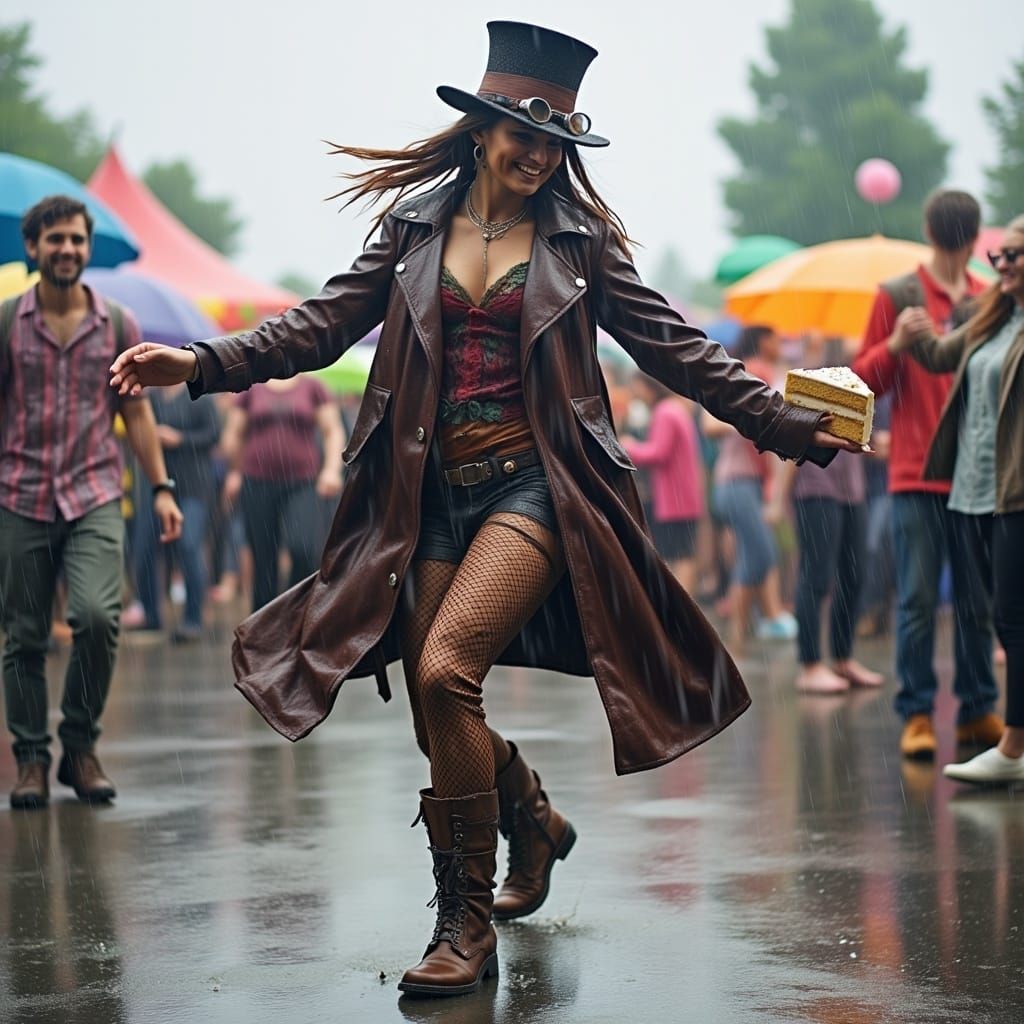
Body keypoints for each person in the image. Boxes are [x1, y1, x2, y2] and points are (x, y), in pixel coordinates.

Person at [110, 22, 860, 999]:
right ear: (479, 129)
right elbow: (320, 324)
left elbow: (677, 349)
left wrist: (787, 422)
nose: (537, 153)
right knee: (439, 716)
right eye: (520, 133)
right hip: (424, 496)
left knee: (444, 667)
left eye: (553, 141)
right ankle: (532, 819)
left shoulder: (580, 243)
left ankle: (462, 926)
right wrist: (201, 362)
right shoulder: (414, 229)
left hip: (534, 486)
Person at [0, 195, 183, 810]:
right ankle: (31, 758)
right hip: (19, 494)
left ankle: (79, 747)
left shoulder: (118, 324)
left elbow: (136, 411)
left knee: (99, 618)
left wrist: (161, 488)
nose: (67, 249)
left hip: (95, 495)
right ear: (33, 247)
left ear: (86, 247)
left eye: (76, 239)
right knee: (24, 636)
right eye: (55, 239)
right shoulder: (7, 322)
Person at [852, 190, 1002, 760]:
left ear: (927, 229)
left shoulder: (989, 299)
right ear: (975, 235)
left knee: (976, 600)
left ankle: (977, 710)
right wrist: (895, 344)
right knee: (916, 600)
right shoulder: (899, 295)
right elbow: (863, 382)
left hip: (978, 473)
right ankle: (917, 712)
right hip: (917, 473)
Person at [886, 216, 1024, 786]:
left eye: (1014, 256)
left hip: (1014, 490)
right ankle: (993, 734)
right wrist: (908, 330)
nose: (1003, 265)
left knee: (1007, 616)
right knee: (986, 612)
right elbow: (941, 357)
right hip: (970, 489)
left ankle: (1010, 744)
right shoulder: (991, 316)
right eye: (998, 257)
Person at [772, 340, 884, 694]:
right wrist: (776, 499)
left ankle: (842, 658)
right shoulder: (804, 382)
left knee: (854, 574)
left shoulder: (854, 381)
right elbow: (788, 442)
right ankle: (810, 665)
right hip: (816, 489)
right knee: (816, 575)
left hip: (853, 490)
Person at [705, 325, 798, 653]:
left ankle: (736, 639)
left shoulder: (751, 373)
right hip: (737, 482)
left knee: (751, 554)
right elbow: (712, 425)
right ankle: (735, 635)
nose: (780, 344)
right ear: (762, 342)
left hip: (743, 484)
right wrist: (747, 419)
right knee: (761, 553)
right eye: (775, 338)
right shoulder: (754, 372)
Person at [220, 377, 344, 612]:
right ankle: (264, 622)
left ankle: (293, 612)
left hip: (302, 483)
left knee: (303, 548)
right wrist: (234, 471)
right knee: (263, 559)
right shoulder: (251, 387)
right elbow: (234, 433)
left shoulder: (312, 387)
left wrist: (331, 470)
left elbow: (332, 431)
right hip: (257, 483)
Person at [131, 382, 221, 640]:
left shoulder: (200, 396)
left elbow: (214, 434)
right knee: (143, 548)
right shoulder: (151, 399)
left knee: (189, 546)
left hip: (194, 485)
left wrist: (180, 438)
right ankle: (151, 615)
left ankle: (193, 619)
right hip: (157, 484)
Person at [622, 373, 704, 593]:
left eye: (638, 387)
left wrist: (628, 446)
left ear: (650, 386)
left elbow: (658, 453)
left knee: (678, 555)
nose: (637, 393)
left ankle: (680, 605)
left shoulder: (664, 412)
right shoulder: (675, 408)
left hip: (674, 499)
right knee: (683, 553)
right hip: (683, 496)